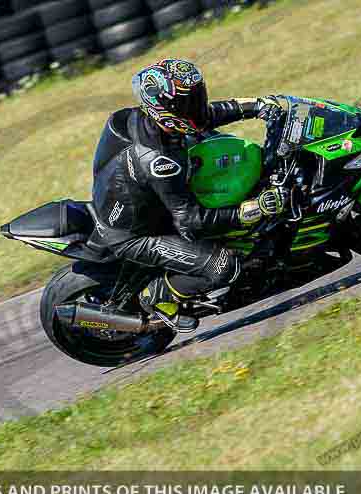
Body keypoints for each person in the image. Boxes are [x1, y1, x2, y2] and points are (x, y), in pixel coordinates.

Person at [88, 58, 289, 333]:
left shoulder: (141, 119)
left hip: (140, 198)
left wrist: (258, 106)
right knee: (224, 266)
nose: (196, 106)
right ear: (163, 108)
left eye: (196, 96)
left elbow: (203, 118)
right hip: (136, 235)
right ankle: (159, 295)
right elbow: (191, 222)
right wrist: (253, 209)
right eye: (186, 102)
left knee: (214, 143)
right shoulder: (160, 161)